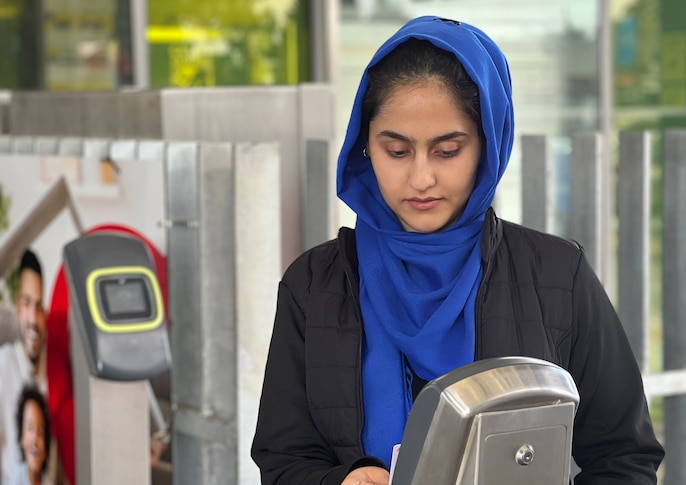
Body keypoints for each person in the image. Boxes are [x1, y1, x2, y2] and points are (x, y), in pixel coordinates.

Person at [251, 16, 664, 485]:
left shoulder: (556, 276)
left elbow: (624, 457)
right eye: (397, 151)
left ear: (488, 146)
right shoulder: (315, 284)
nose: (421, 178)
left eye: (447, 150)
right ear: (365, 147)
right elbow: (282, 459)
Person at [0, 249, 59, 485]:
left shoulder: (55, 371)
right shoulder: (4, 365)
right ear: (17, 308)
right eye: (27, 303)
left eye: (39, 306)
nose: (33, 319)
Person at [10, 386, 52, 485]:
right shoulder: (16, 478)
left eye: (40, 432)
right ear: (21, 437)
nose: (35, 438)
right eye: (30, 428)